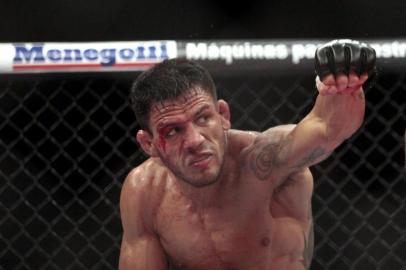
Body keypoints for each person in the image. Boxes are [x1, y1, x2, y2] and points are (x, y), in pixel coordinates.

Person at [119, 39, 376, 270]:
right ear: (148, 144)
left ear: (223, 115)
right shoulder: (145, 191)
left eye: (203, 118)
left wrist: (342, 80)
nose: (195, 140)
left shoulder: (264, 161)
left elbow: (329, 128)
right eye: (173, 131)